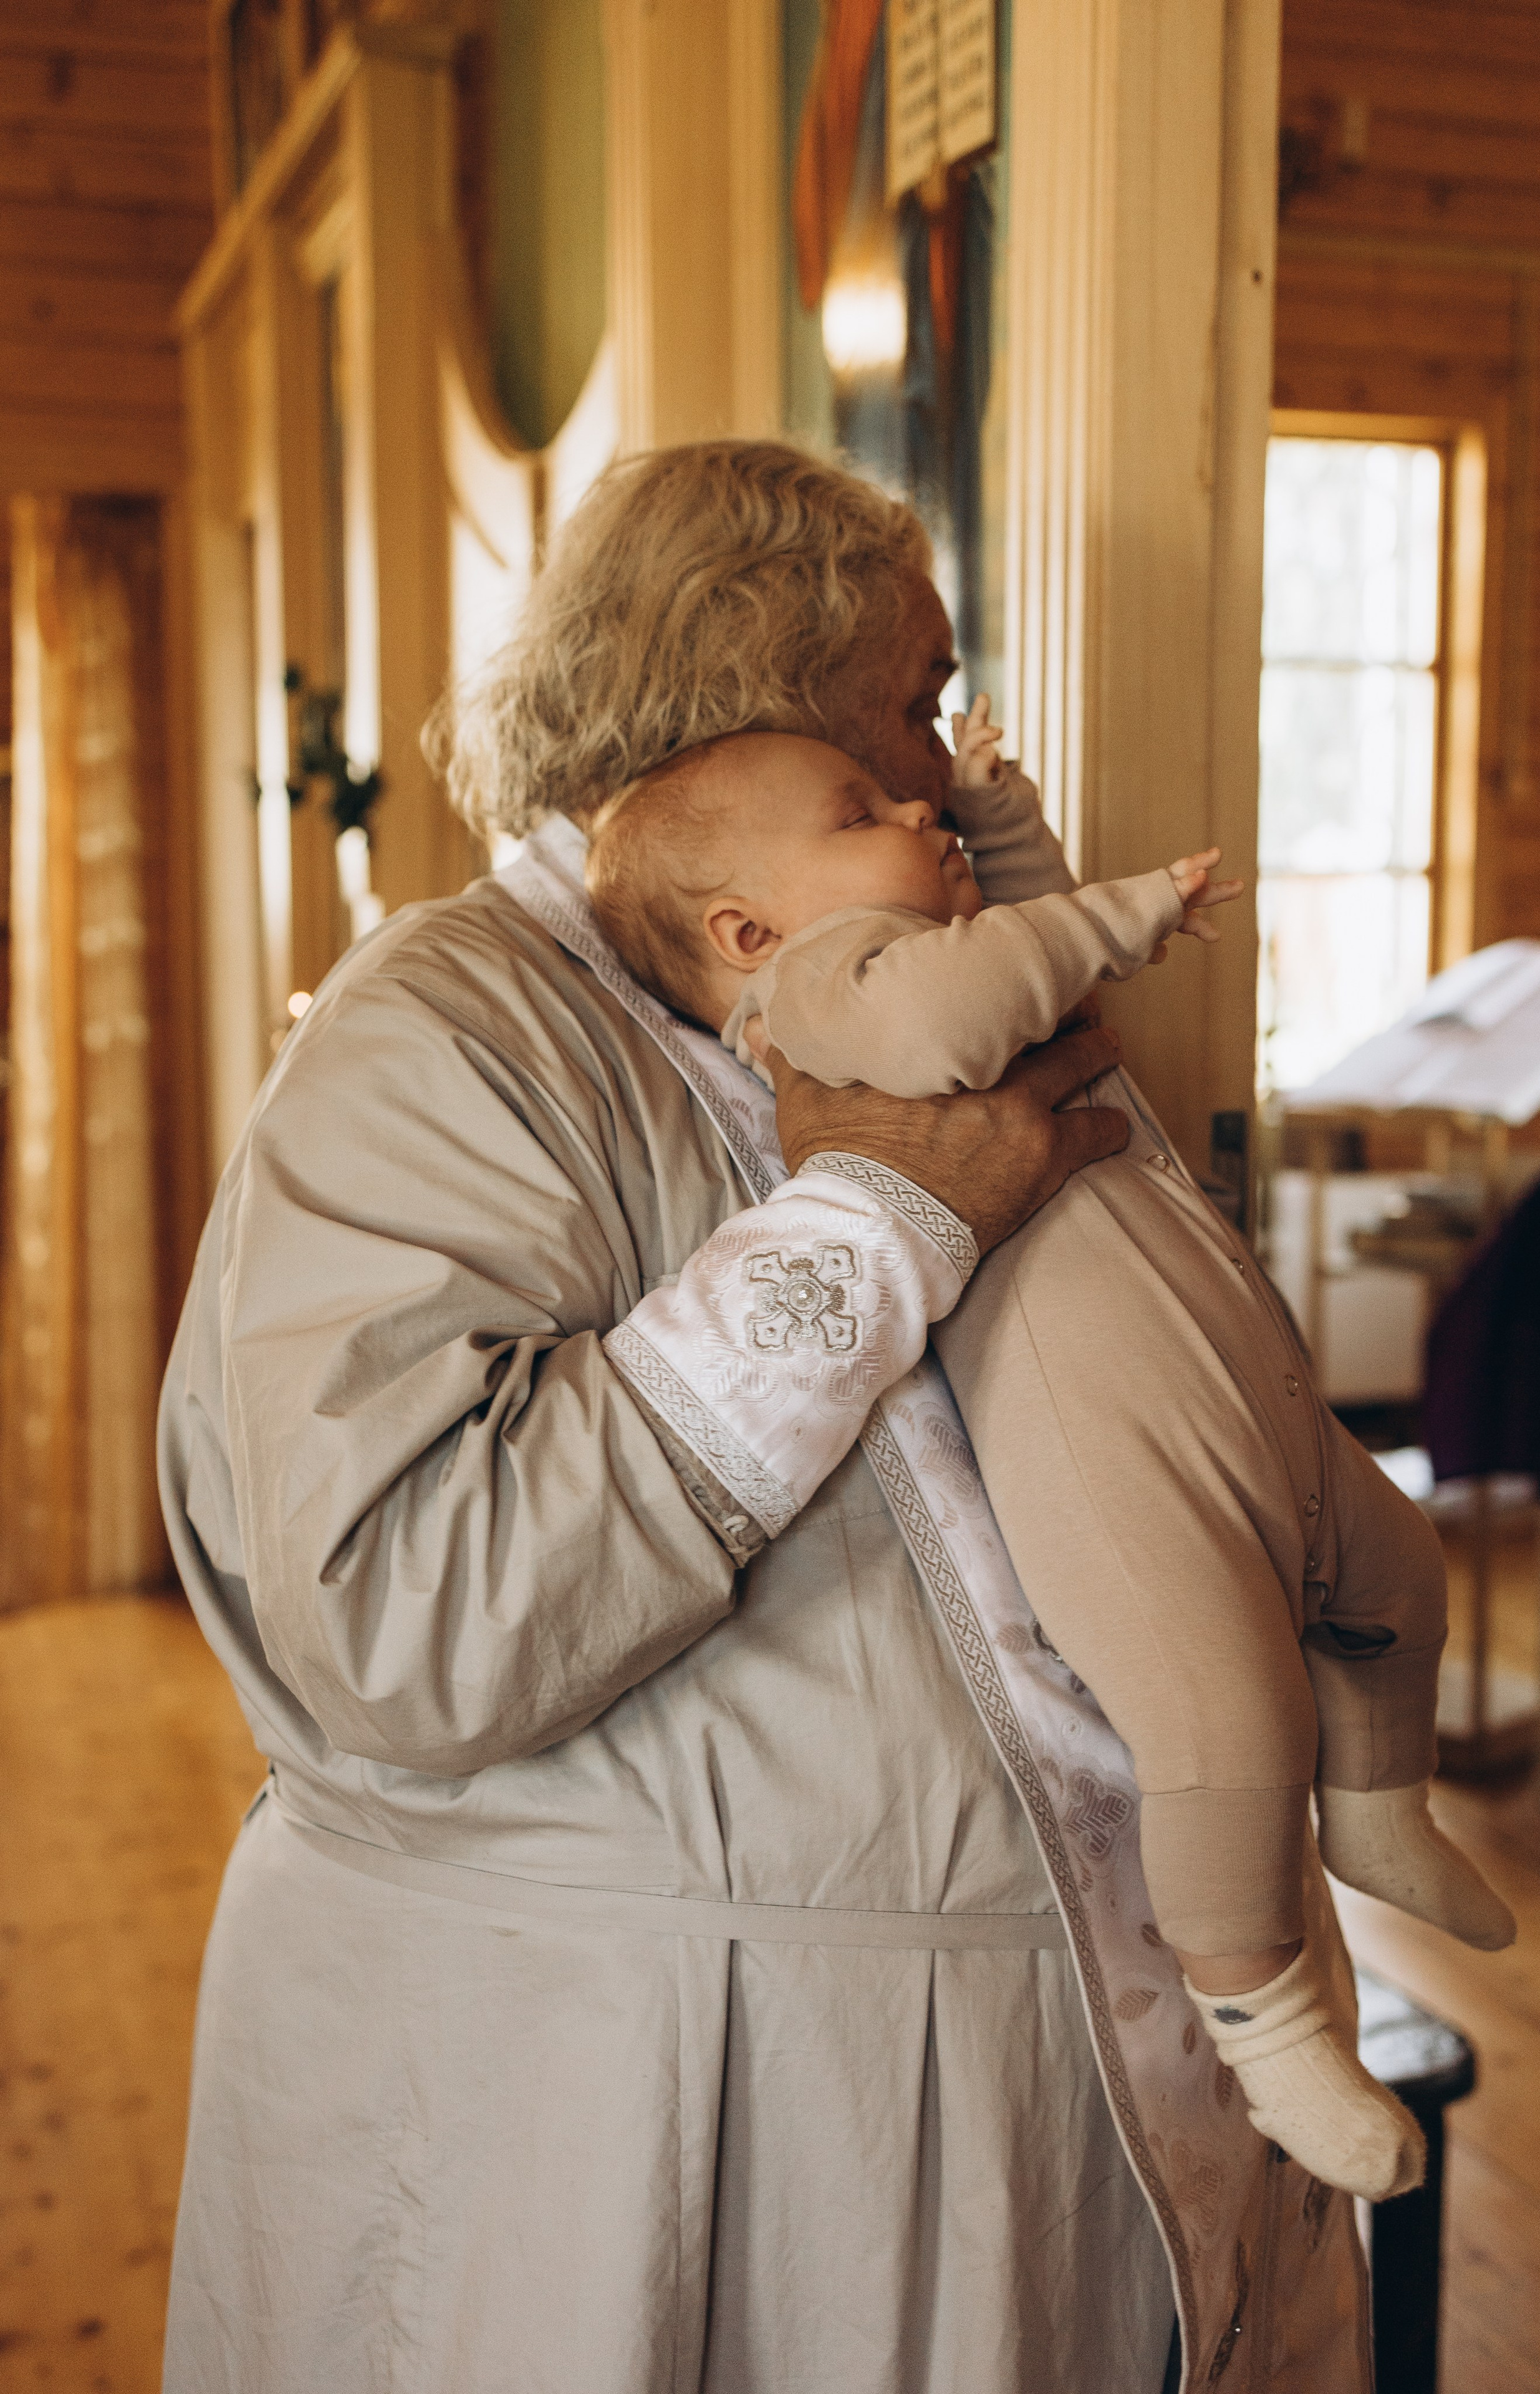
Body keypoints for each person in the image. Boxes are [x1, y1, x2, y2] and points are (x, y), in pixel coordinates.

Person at [158, 442, 1186, 2393]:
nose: (954, 764)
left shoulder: (885, 991)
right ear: (765, 712)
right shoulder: (445, 1027)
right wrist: (882, 1219)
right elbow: (408, 1615)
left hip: (982, 2106)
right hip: (616, 2125)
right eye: (915, 706)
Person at [583, 716, 1517, 2204]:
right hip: (1107, 1446)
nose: (907, 801)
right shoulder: (819, 993)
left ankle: (1382, 1810)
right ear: (748, 929)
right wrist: (1118, 911)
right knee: (1221, 1718)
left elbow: (1005, 946)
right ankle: (1262, 2020)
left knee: (1395, 1570)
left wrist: (1000, 826)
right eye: (858, 810)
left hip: (1239, 1377)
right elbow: (956, 1015)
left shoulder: (931, 949)